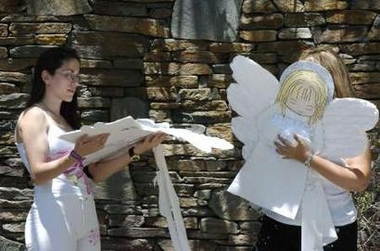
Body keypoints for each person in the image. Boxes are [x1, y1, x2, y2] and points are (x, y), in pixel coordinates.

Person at [14, 47, 166, 251]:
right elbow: (38, 175)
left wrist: (135, 150)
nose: (74, 83)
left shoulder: (67, 123)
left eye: (77, 76)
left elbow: (95, 174)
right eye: (68, 75)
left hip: (85, 212)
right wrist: (76, 154)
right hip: (54, 215)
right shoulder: (34, 116)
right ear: (46, 76)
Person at [255, 48, 373, 251]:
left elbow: (359, 181)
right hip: (280, 221)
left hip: (332, 228)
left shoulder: (349, 129)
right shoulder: (280, 120)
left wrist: (307, 158)